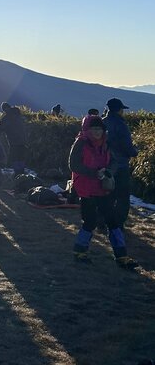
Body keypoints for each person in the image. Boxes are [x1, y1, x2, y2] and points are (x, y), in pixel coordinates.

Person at [69, 115, 137, 269]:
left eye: (99, 128)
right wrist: (94, 173)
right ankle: (80, 251)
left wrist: (108, 172)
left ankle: (122, 255)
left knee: (112, 220)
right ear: (87, 129)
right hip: (86, 188)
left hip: (102, 187)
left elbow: (114, 161)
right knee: (90, 221)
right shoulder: (80, 143)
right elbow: (73, 165)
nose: (97, 132)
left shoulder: (106, 143)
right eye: (94, 128)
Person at [103, 97, 138, 230]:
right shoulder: (120, 124)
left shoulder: (102, 122)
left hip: (105, 164)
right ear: (119, 110)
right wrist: (134, 152)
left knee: (107, 193)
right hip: (121, 164)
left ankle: (103, 221)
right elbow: (126, 145)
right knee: (122, 196)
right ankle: (118, 223)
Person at [0, 103, 27, 174]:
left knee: (15, 156)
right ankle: (21, 171)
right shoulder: (18, 114)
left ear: (4, 109)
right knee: (21, 156)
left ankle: (17, 173)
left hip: (13, 141)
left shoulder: (6, 118)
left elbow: (0, 129)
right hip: (23, 140)